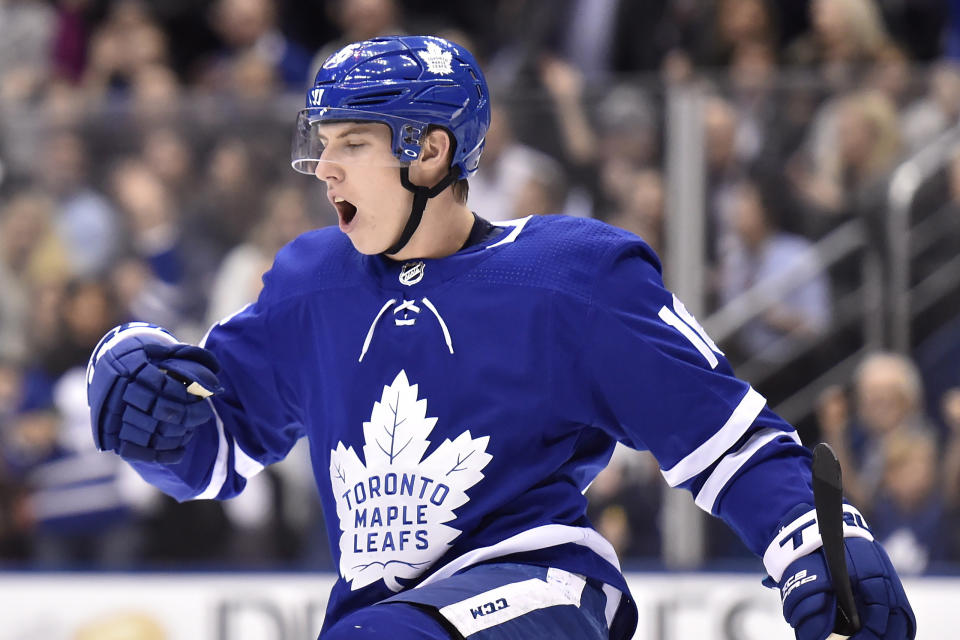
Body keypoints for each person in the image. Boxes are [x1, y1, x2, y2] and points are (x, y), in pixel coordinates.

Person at [86, 35, 915, 640]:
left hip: (543, 592)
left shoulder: (571, 277)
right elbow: (216, 451)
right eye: (321, 144)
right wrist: (139, 405)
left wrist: (817, 542)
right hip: (383, 616)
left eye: (352, 144)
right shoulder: (311, 283)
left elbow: (728, 439)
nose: (324, 167)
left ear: (430, 152)